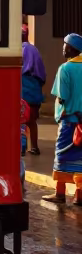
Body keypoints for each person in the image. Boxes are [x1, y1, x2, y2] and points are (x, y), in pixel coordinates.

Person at [43, 32, 82, 205]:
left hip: (69, 121)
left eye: (65, 46)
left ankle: (60, 194)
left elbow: (62, 97)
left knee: (62, 156)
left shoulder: (65, 68)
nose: (63, 49)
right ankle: (79, 195)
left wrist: (59, 114)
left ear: (72, 49)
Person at [21, 25, 46, 155]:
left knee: (20, 119)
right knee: (32, 121)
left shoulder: (17, 49)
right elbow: (42, 75)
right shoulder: (34, 50)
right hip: (35, 90)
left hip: (22, 89)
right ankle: (35, 147)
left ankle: (21, 147)